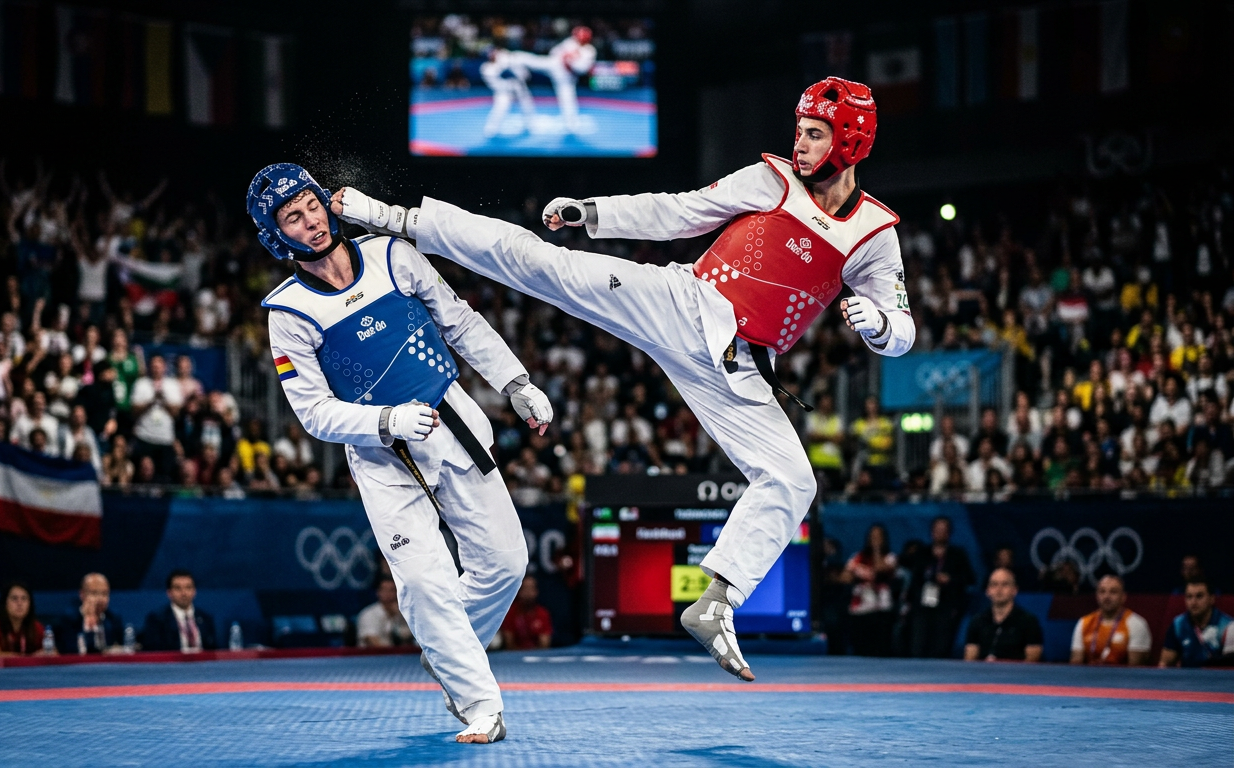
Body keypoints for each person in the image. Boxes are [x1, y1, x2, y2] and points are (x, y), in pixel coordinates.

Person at [338, 76, 914, 682]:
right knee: (542, 263)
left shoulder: (873, 234)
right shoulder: (771, 180)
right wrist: (593, 213)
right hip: (683, 304)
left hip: (739, 368)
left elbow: (901, 329)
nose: (800, 144)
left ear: (850, 142)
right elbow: (678, 211)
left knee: (793, 480)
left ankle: (717, 601)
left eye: (816, 134)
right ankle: (396, 217)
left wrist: (879, 326)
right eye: (799, 130)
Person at [248, 164, 551, 744]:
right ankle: (479, 704)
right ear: (276, 236)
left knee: (507, 563)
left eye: (311, 205)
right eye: (292, 217)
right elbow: (314, 413)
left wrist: (516, 383)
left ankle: (448, 652)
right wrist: (386, 421)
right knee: (424, 582)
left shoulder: (393, 255)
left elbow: (459, 322)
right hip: (380, 455)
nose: (310, 220)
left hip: (450, 420)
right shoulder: (288, 313)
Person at [907, 516, 976, 658]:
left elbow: (970, 578)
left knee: (941, 647)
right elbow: (915, 579)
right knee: (918, 646)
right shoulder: (922, 553)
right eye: (937, 529)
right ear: (932, 532)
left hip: (946, 606)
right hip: (923, 606)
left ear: (949, 533)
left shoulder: (957, 554)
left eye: (943, 530)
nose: (940, 533)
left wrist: (950, 579)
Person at [964, 568, 1043, 662]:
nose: (999, 589)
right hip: (983, 670)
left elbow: (1032, 660)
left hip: (1014, 670)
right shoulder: (977, 621)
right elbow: (970, 659)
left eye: (1005, 584)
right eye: (994, 584)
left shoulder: (1028, 621)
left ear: (1014, 590)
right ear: (988, 591)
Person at [1070, 575, 1151, 666]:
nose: (1106, 596)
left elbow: (1135, 668)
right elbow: (1075, 665)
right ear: (1097, 596)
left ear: (1123, 597)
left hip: (1121, 675)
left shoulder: (1136, 624)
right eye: (1102, 591)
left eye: (1113, 592)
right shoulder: (1083, 623)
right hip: (1090, 674)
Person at [843, 524, 897, 657]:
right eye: (873, 536)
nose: (875, 539)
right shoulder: (858, 557)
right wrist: (854, 575)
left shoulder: (890, 557)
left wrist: (877, 550)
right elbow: (845, 577)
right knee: (861, 648)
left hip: (881, 609)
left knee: (880, 649)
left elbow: (880, 569)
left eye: (879, 536)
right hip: (860, 608)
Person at [1160, 579, 1234, 668]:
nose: (1193, 602)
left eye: (1199, 596)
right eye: (1189, 597)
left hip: (1218, 676)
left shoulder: (1228, 626)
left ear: (1212, 599)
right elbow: (1165, 664)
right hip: (1187, 676)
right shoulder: (1178, 625)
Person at [141, 569, 217, 653]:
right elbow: (154, 651)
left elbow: (213, 650)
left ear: (194, 591)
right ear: (169, 593)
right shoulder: (157, 619)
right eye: (178, 588)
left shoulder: (205, 618)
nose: (184, 593)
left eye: (188, 587)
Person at [54, 572, 126, 654]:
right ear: (82, 595)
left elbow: (124, 647)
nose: (100, 599)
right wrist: (89, 624)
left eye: (104, 593)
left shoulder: (113, 618)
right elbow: (70, 650)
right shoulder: (69, 619)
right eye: (94, 593)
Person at [0, 581, 51, 656]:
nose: (19, 603)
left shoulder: (36, 626)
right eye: (14, 598)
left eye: (24, 599)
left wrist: (46, 653)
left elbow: (52, 652)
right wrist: (28, 659)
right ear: (5, 603)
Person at [355, 575, 415, 648]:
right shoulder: (369, 614)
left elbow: (411, 639)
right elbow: (372, 642)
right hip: (376, 654)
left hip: (400, 654)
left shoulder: (404, 614)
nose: (389, 594)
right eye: (385, 590)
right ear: (378, 592)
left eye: (392, 590)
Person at [501, 574, 553, 650]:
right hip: (515, 655)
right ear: (518, 591)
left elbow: (544, 645)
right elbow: (509, 643)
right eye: (525, 589)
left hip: (538, 654)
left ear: (536, 591)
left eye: (531, 589)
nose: (528, 593)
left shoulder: (542, 613)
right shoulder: (510, 613)